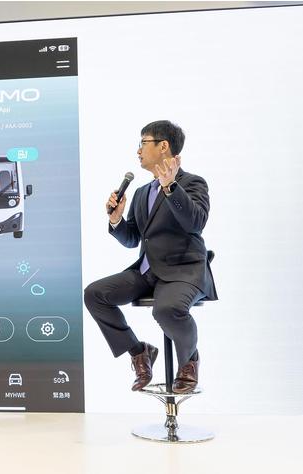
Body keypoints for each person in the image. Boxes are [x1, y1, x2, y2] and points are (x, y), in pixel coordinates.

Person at [84, 120, 217, 394]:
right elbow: (133, 239)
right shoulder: (142, 192)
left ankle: (189, 361)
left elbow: (196, 222)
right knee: (95, 294)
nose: (138, 151)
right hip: (147, 272)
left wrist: (171, 188)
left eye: (143, 143)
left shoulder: (192, 183)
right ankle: (139, 352)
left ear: (163, 146)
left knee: (166, 310)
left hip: (183, 271)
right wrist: (117, 220)